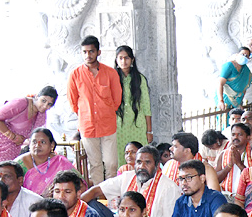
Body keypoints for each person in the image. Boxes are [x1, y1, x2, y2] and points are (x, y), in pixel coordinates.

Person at [84, 144, 180, 217]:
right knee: (92, 205)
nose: (142, 167)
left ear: (157, 165)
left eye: (147, 162)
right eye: (138, 162)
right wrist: (72, 210)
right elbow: (95, 190)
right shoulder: (127, 177)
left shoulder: (168, 187)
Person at [68, 35, 123, 183]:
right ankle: (99, 198)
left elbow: (117, 99)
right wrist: (85, 115)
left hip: (108, 125)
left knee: (111, 163)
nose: (88, 55)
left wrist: (107, 111)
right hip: (87, 126)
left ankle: (111, 195)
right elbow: (73, 101)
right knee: (95, 164)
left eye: (91, 51)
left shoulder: (110, 73)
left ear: (98, 52)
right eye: (84, 52)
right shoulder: (75, 74)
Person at [0, 88, 57, 170]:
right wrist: (13, 137)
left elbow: (38, 135)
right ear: (37, 96)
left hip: (13, 150)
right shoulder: (21, 103)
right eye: (43, 101)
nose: (45, 106)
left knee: (10, 176)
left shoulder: (41, 115)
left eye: (49, 104)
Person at [114, 45, 152, 148]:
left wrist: (149, 131)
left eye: (127, 58)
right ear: (116, 60)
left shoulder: (140, 79)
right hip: (118, 125)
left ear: (132, 60)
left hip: (138, 124)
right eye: (120, 58)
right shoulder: (112, 79)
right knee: (121, 154)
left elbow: (146, 106)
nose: (123, 61)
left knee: (139, 155)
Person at [15, 127, 73, 196]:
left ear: (52, 145)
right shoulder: (20, 162)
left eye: (42, 142)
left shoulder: (61, 162)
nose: (37, 145)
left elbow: (79, 184)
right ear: (29, 145)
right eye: (34, 142)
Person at [216, 47, 252, 112]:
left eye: (246, 56)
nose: (244, 57)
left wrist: (239, 101)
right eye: (242, 54)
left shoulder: (246, 71)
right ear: (237, 54)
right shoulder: (229, 66)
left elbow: (244, 88)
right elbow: (220, 83)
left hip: (237, 101)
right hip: (225, 98)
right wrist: (221, 100)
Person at [215, 122, 249, 195]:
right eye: (233, 135)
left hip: (246, 196)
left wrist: (239, 164)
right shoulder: (223, 154)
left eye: (240, 134)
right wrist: (230, 165)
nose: (235, 137)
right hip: (226, 196)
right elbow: (216, 179)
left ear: (248, 137)